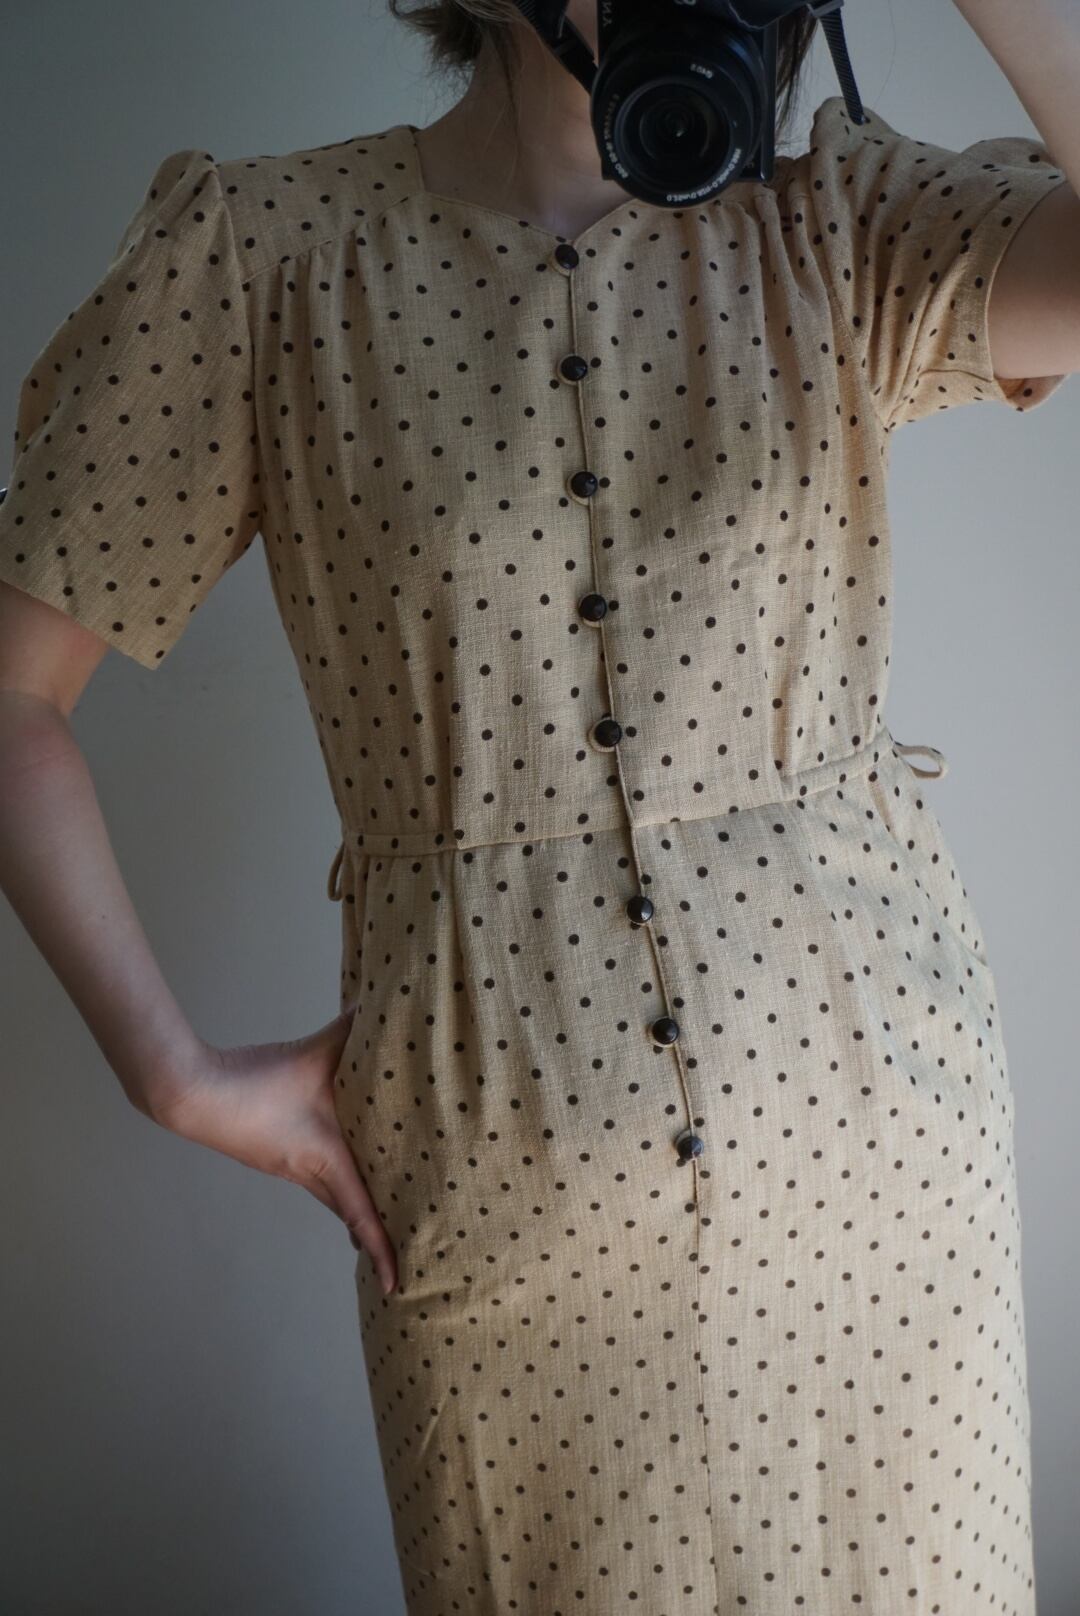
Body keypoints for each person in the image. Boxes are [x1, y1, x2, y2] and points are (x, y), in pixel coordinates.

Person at [0, 1, 1072, 1610]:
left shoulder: (840, 222)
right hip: (503, 1199)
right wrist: (170, 1071)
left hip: (883, 1175)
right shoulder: (268, 258)